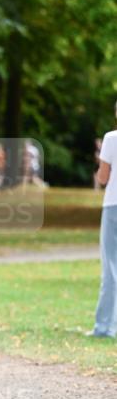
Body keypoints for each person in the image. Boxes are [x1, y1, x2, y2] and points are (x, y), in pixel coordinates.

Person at [90, 103, 117, 338]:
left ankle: (104, 327)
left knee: (110, 268)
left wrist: (99, 168)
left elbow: (103, 177)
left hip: (113, 206)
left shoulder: (111, 138)